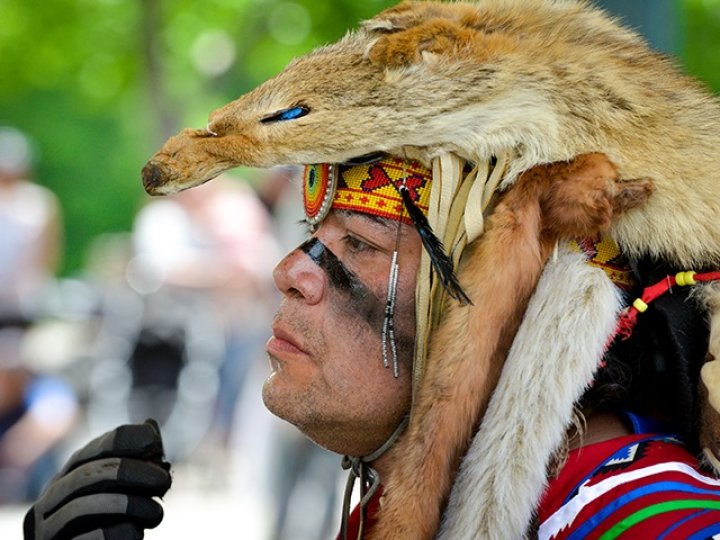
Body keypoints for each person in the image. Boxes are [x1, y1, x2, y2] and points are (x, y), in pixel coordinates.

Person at [26, 1, 720, 539]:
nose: (291, 271)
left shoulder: (638, 513)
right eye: (311, 235)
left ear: (508, 303)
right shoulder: (403, 510)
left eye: (358, 243)